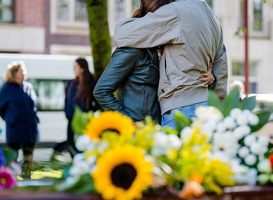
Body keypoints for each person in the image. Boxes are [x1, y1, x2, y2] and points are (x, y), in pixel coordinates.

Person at [93, 0, 215, 123]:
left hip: (154, 128)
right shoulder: (132, 51)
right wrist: (128, 122)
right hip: (137, 131)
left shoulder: (160, 51)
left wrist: (210, 79)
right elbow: (101, 91)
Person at [0, 61, 39, 177]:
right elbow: (1, 108)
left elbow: (34, 105)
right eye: (21, 71)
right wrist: (10, 119)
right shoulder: (7, 88)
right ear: (14, 73)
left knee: (28, 158)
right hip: (15, 130)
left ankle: (28, 179)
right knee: (13, 159)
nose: (24, 73)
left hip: (30, 130)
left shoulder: (28, 87)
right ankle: (13, 180)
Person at [64, 58, 100, 157]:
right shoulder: (71, 83)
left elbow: (99, 103)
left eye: (75, 67)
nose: (73, 69)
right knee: (71, 146)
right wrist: (67, 112)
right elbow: (66, 100)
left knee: (83, 149)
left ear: (82, 68)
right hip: (71, 123)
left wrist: (89, 113)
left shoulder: (91, 84)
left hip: (84, 124)